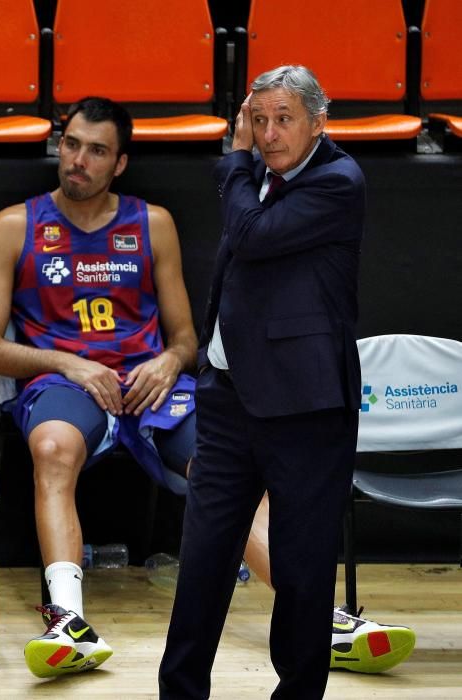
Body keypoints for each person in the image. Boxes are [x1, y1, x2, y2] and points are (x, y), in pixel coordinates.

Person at [158, 65, 413, 699]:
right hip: (226, 399)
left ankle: (298, 694)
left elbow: (252, 234)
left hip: (304, 407)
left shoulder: (336, 181)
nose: (269, 134)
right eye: (259, 119)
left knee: (300, 571)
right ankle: (180, 692)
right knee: (204, 560)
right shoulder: (258, 182)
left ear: (319, 122)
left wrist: (236, 158)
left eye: (284, 119)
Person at [0, 96, 199, 678]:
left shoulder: (154, 224)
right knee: (51, 449)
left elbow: (186, 339)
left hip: (147, 383)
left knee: (226, 463)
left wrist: (169, 363)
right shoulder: (13, 226)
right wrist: (69, 364)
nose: (78, 160)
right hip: (63, 381)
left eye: (97, 151)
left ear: (119, 163)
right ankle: (68, 623)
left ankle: (317, 617)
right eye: (71, 144)